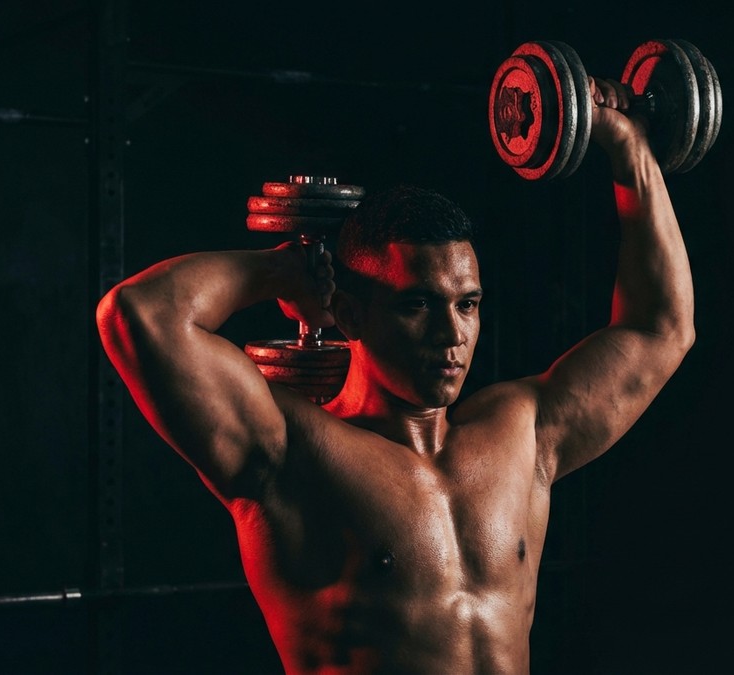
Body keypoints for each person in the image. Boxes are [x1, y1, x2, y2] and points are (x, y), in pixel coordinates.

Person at [96, 74, 694, 674]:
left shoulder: (521, 436)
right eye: (417, 305)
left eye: (467, 304)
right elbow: (136, 315)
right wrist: (281, 273)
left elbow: (661, 327)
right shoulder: (289, 454)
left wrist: (628, 147)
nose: (451, 333)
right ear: (350, 314)